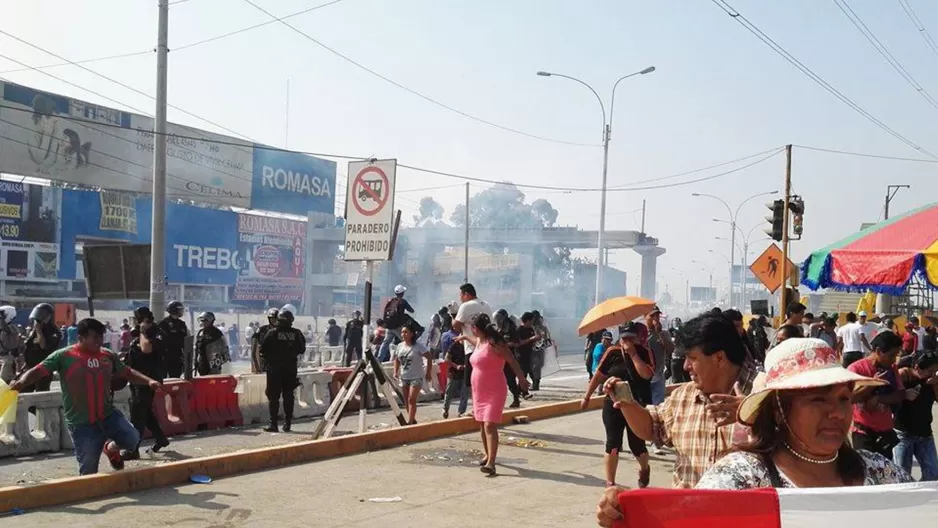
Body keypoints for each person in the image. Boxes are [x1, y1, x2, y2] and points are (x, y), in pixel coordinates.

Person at [595, 339, 909, 526]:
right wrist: (632, 507)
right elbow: (687, 518)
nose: (836, 413)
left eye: (844, 399)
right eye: (818, 399)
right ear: (778, 410)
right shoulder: (743, 476)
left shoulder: (880, 472)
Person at [601, 312, 758, 488]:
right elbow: (651, 428)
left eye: (692, 358)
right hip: (688, 512)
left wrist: (753, 415)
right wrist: (626, 402)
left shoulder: (767, 394)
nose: (685, 366)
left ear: (719, 358)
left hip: (744, 514)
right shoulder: (683, 396)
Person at [9, 318, 162, 475]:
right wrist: (21, 383)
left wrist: (149, 381)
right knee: (88, 471)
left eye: (101, 337)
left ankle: (110, 448)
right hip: (81, 423)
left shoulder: (108, 355)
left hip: (108, 415)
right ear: (81, 337)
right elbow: (37, 371)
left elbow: (127, 372)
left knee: (133, 439)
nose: (99, 341)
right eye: (94, 337)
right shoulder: (63, 356)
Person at [583, 322, 654, 488]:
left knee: (637, 444)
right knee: (612, 443)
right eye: (625, 338)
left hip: (635, 404)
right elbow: (599, 375)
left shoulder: (644, 352)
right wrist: (587, 396)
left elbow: (647, 375)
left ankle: (644, 468)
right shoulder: (612, 352)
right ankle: (610, 483)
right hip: (613, 403)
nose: (628, 341)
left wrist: (633, 354)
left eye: (632, 338)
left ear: (637, 338)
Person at [456, 313, 528, 476]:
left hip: (495, 389)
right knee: (481, 423)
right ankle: (487, 453)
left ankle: (491, 463)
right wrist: (465, 338)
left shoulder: (495, 343)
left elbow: (512, 361)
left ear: (477, 328)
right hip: (478, 390)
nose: (472, 331)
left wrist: (522, 379)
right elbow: (475, 342)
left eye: (472, 328)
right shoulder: (480, 341)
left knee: (489, 424)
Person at [848, 331, 917, 460]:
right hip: (863, 432)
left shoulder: (891, 369)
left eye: (896, 356)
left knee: (886, 475)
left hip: (885, 431)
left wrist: (880, 398)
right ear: (878, 351)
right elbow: (850, 398)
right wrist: (872, 384)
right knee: (865, 474)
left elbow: (900, 394)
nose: (893, 360)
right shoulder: (856, 369)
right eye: (891, 356)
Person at [120, 307, 170, 460]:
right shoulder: (150, 332)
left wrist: (142, 331)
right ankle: (161, 439)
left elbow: (146, 349)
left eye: (135, 319)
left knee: (137, 415)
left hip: (146, 381)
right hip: (141, 379)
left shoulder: (152, 331)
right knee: (145, 412)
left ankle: (133, 449)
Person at [259, 306, 306, 432]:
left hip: (274, 369)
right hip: (290, 369)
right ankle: (287, 423)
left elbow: (262, 350)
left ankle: (273, 424)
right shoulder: (296, 333)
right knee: (288, 396)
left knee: (273, 397)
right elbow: (302, 349)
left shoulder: (272, 333)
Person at [894, 350, 938, 480]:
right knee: (902, 477)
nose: (932, 373)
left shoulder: (933, 380)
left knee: (933, 475)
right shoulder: (903, 375)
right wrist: (904, 394)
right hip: (903, 433)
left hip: (925, 432)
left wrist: (935, 383)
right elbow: (888, 396)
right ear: (917, 367)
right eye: (930, 370)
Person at [393, 321, 432, 425]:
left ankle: (410, 421)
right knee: (406, 400)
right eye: (402, 332)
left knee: (411, 399)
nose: (403, 334)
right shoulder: (400, 346)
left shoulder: (418, 346)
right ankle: (412, 418)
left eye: (406, 332)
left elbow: (429, 357)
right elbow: (396, 360)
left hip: (416, 377)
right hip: (404, 376)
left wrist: (428, 372)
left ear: (411, 334)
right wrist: (395, 372)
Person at [20, 303, 62, 393]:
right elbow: (29, 347)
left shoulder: (53, 331)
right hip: (30, 367)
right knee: (24, 392)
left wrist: (39, 330)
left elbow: (43, 345)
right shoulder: (34, 328)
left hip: (43, 368)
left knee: (41, 393)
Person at [494, 309, 526, 408]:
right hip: (500, 358)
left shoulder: (511, 328)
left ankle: (516, 399)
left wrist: (505, 345)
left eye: (499, 318)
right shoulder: (499, 329)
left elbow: (517, 342)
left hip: (510, 357)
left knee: (510, 379)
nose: (498, 320)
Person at [645, 307, 673, 406]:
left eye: (657, 315)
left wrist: (660, 333)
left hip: (658, 376)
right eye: (652, 316)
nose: (655, 318)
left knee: (658, 407)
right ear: (645, 317)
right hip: (645, 377)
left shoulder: (664, 333)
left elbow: (670, 350)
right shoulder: (641, 334)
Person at [378, 285, 415, 362]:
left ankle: (379, 359)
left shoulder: (390, 301)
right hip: (398, 327)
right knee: (406, 341)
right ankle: (410, 358)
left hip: (389, 327)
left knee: (385, 343)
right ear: (402, 293)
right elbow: (411, 310)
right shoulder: (403, 301)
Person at [441, 323, 468, 419]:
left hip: (466, 373)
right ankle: (445, 409)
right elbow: (446, 358)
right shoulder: (454, 346)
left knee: (464, 394)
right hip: (454, 373)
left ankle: (461, 412)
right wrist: (456, 366)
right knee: (449, 392)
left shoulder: (469, 347)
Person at [157, 301, 188, 378]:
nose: (181, 311)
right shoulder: (163, 323)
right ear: (174, 310)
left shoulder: (182, 324)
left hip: (177, 355)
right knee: (163, 377)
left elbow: (185, 339)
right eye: (180, 309)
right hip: (165, 355)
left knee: (176, 376)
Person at [195, 312, 229, 376]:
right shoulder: (200, 332)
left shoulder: (216, 332)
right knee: (203, 379)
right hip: (202, 360)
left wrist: (219, 361)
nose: (203, 322)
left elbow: (224, 347)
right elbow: (197, 347)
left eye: (205, 320)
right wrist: (195, 360)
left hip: (214, 360)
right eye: (202, 321)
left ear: (210, 321)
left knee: (213, 380)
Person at [529, 310, 553, 391]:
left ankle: (536, 384)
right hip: (534, 349)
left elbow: (547, 339)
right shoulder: (531, 327)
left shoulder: (541, 327)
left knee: (536, 367)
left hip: (538, 349)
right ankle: (535, 383)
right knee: (534, 367)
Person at [515, 312, 539, 389]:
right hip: (521, 354)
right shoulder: (519, 330)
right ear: (528, 320)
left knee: (531, 371)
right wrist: (532, 338)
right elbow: (519, 343)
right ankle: (520, 390)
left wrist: (537, 339)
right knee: (523, 372)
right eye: (532, 320)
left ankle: (524, 389)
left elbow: (532, 341)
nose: (532, 322)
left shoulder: (531, 329)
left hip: (530, 353)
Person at [251, 308, 278, 374]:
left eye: (275, 318)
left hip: (278, 361)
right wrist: (257, 368)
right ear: (269, 319)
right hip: (265, 360)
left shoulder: (282, 330)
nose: (274, 320)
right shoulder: (262, 330)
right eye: (272, 318)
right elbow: (254, 351)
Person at [0, 306, 22, 384]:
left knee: (2, 381)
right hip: (2, 358)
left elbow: (6, 329)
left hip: (8, 358)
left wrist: (2, 318)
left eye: (3, 315)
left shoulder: (13, 327)